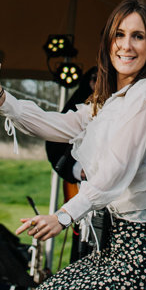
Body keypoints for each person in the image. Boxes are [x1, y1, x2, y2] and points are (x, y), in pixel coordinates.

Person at [0, 0, 146, 290]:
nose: (127, 45)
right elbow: (56, 123)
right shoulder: (108, 103)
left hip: (144, 254)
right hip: (110, 247)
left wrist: (62, 216)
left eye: (138, 36)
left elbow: (114, 173)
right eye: (119, 35)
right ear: (108, 42)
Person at [44, 66, 100, 262]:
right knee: (82, 253)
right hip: (82, 197)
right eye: (93, 79)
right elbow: (53, 142)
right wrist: (79, 171)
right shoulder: (78, 106)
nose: (97, 84)